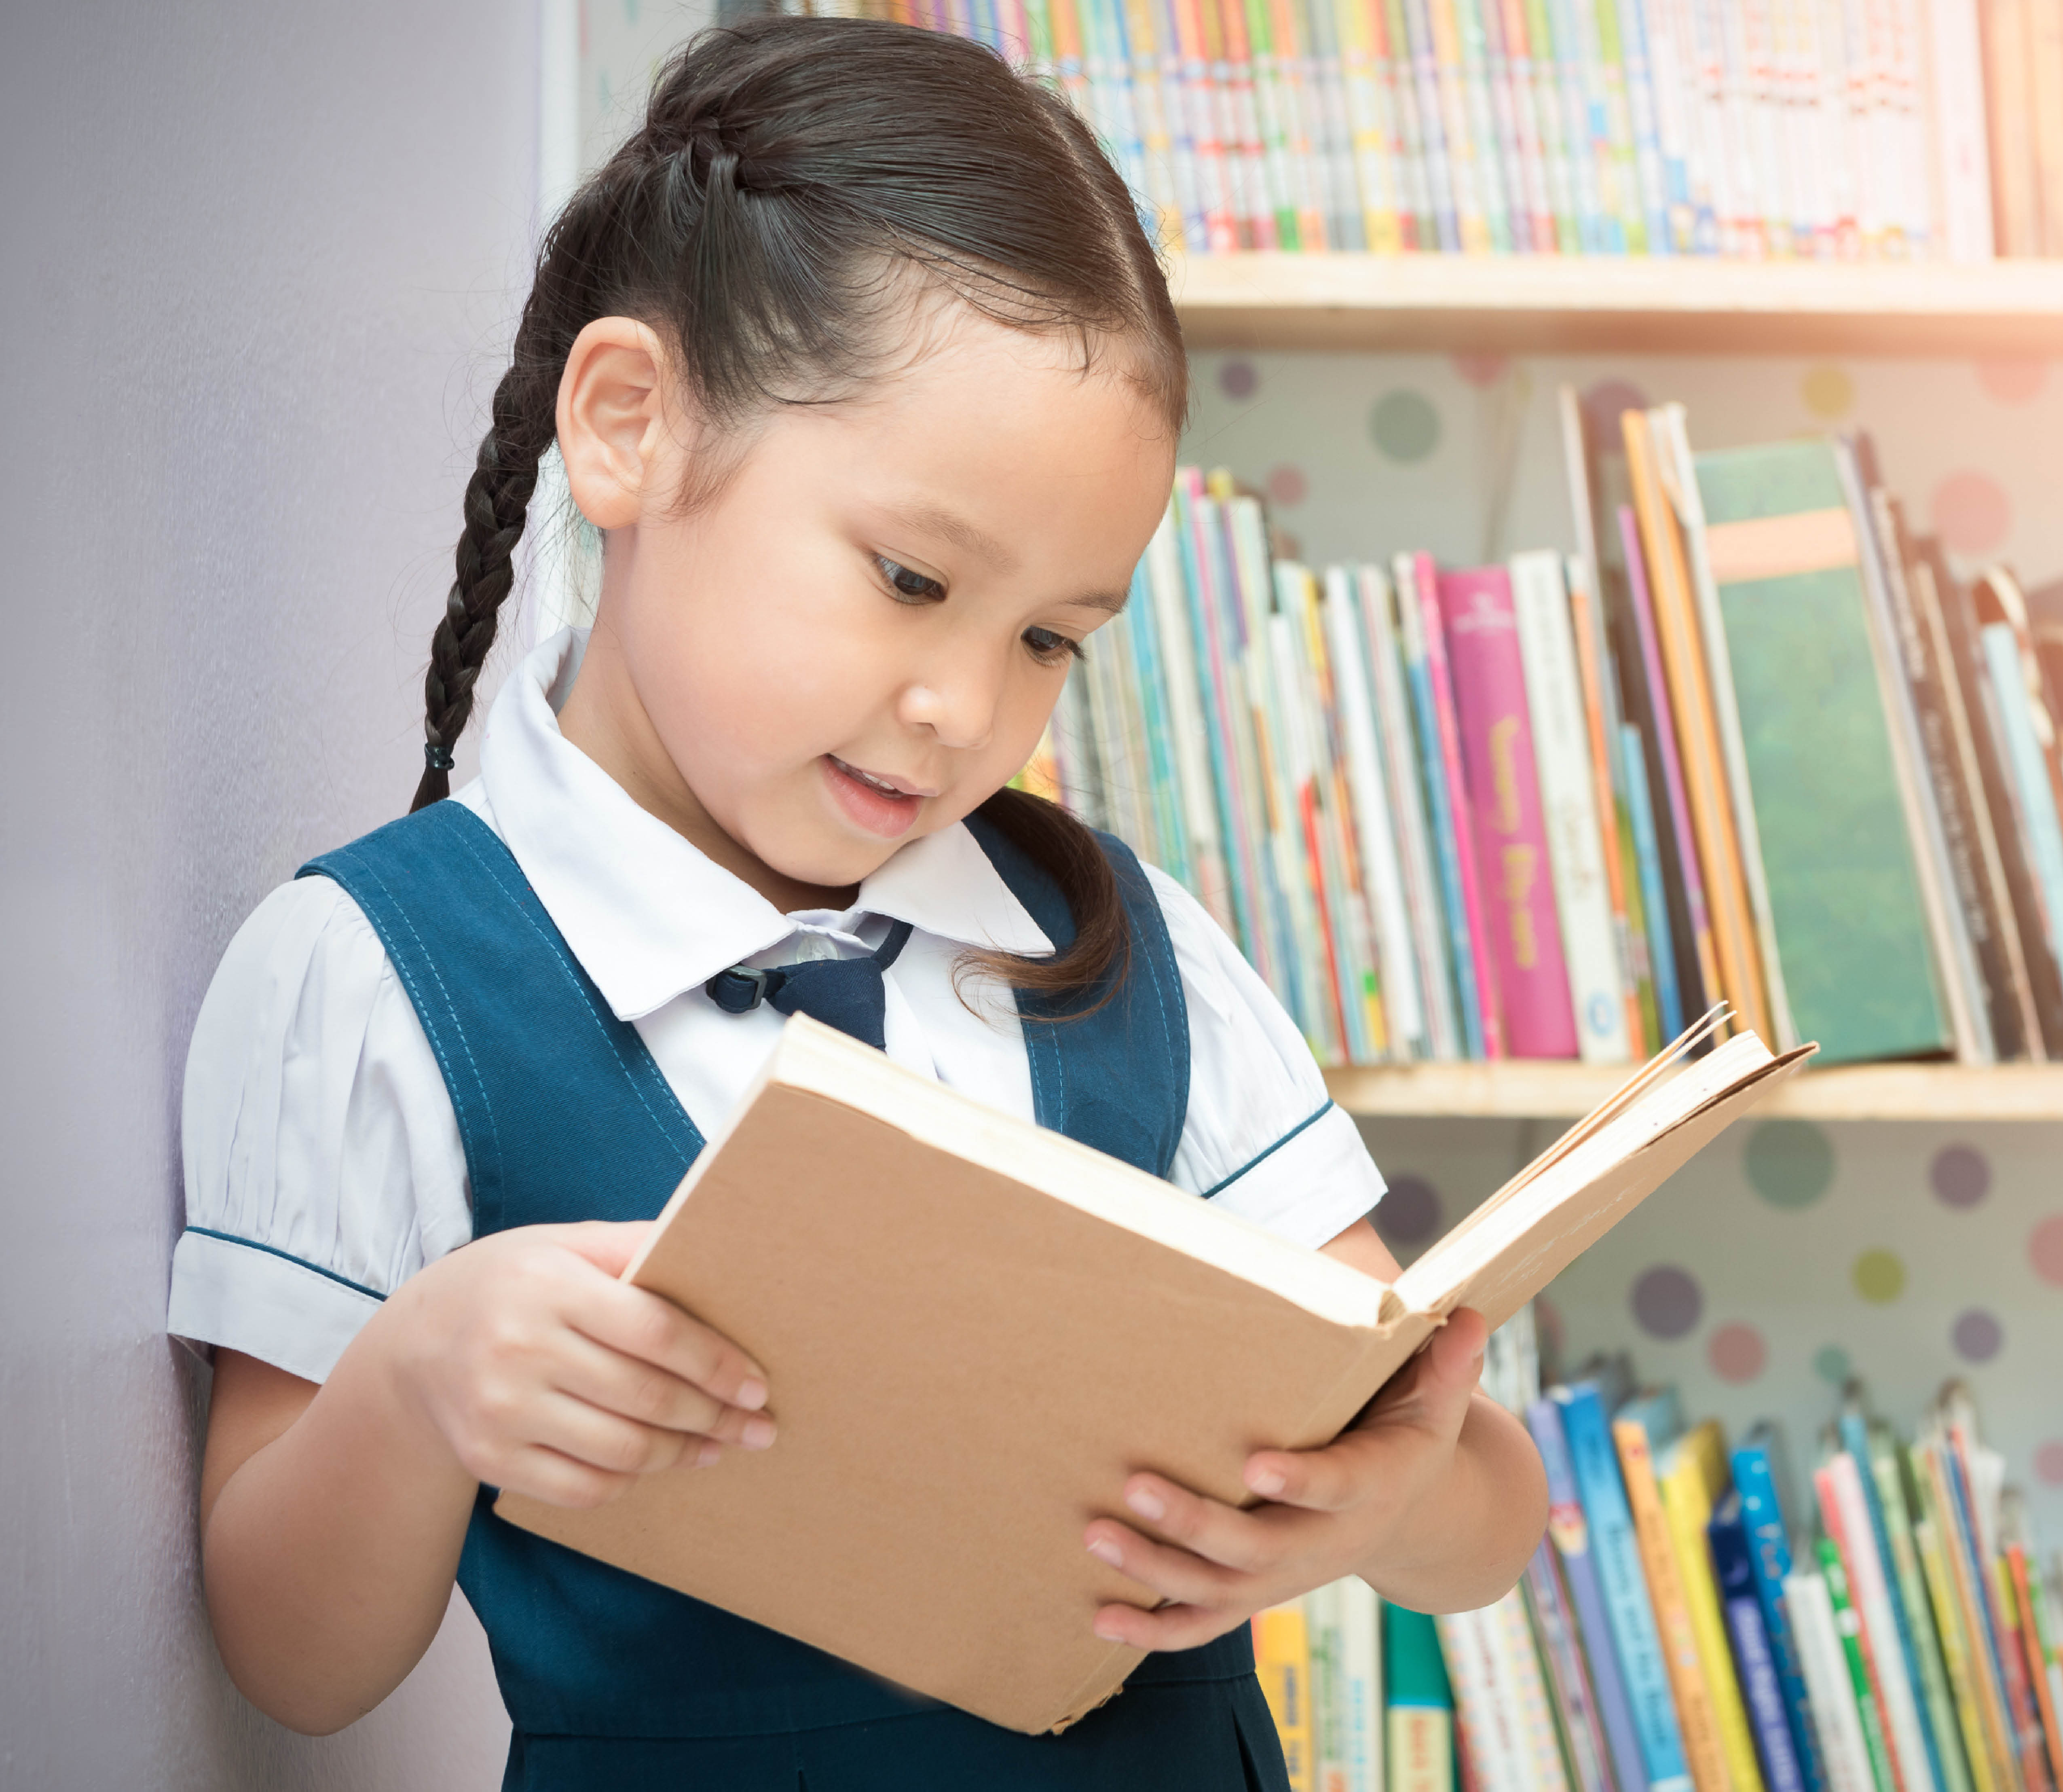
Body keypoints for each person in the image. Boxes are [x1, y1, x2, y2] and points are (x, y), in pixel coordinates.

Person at [168, 17, 1547, 1789]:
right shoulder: (366, 976)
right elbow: (291, 1658)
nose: (965, 708)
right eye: (909, 579)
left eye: (1047, 638)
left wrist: (1386, 1496)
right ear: (628, 426)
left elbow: (1486, 1522)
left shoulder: (1122, 958)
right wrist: (421, 1380)